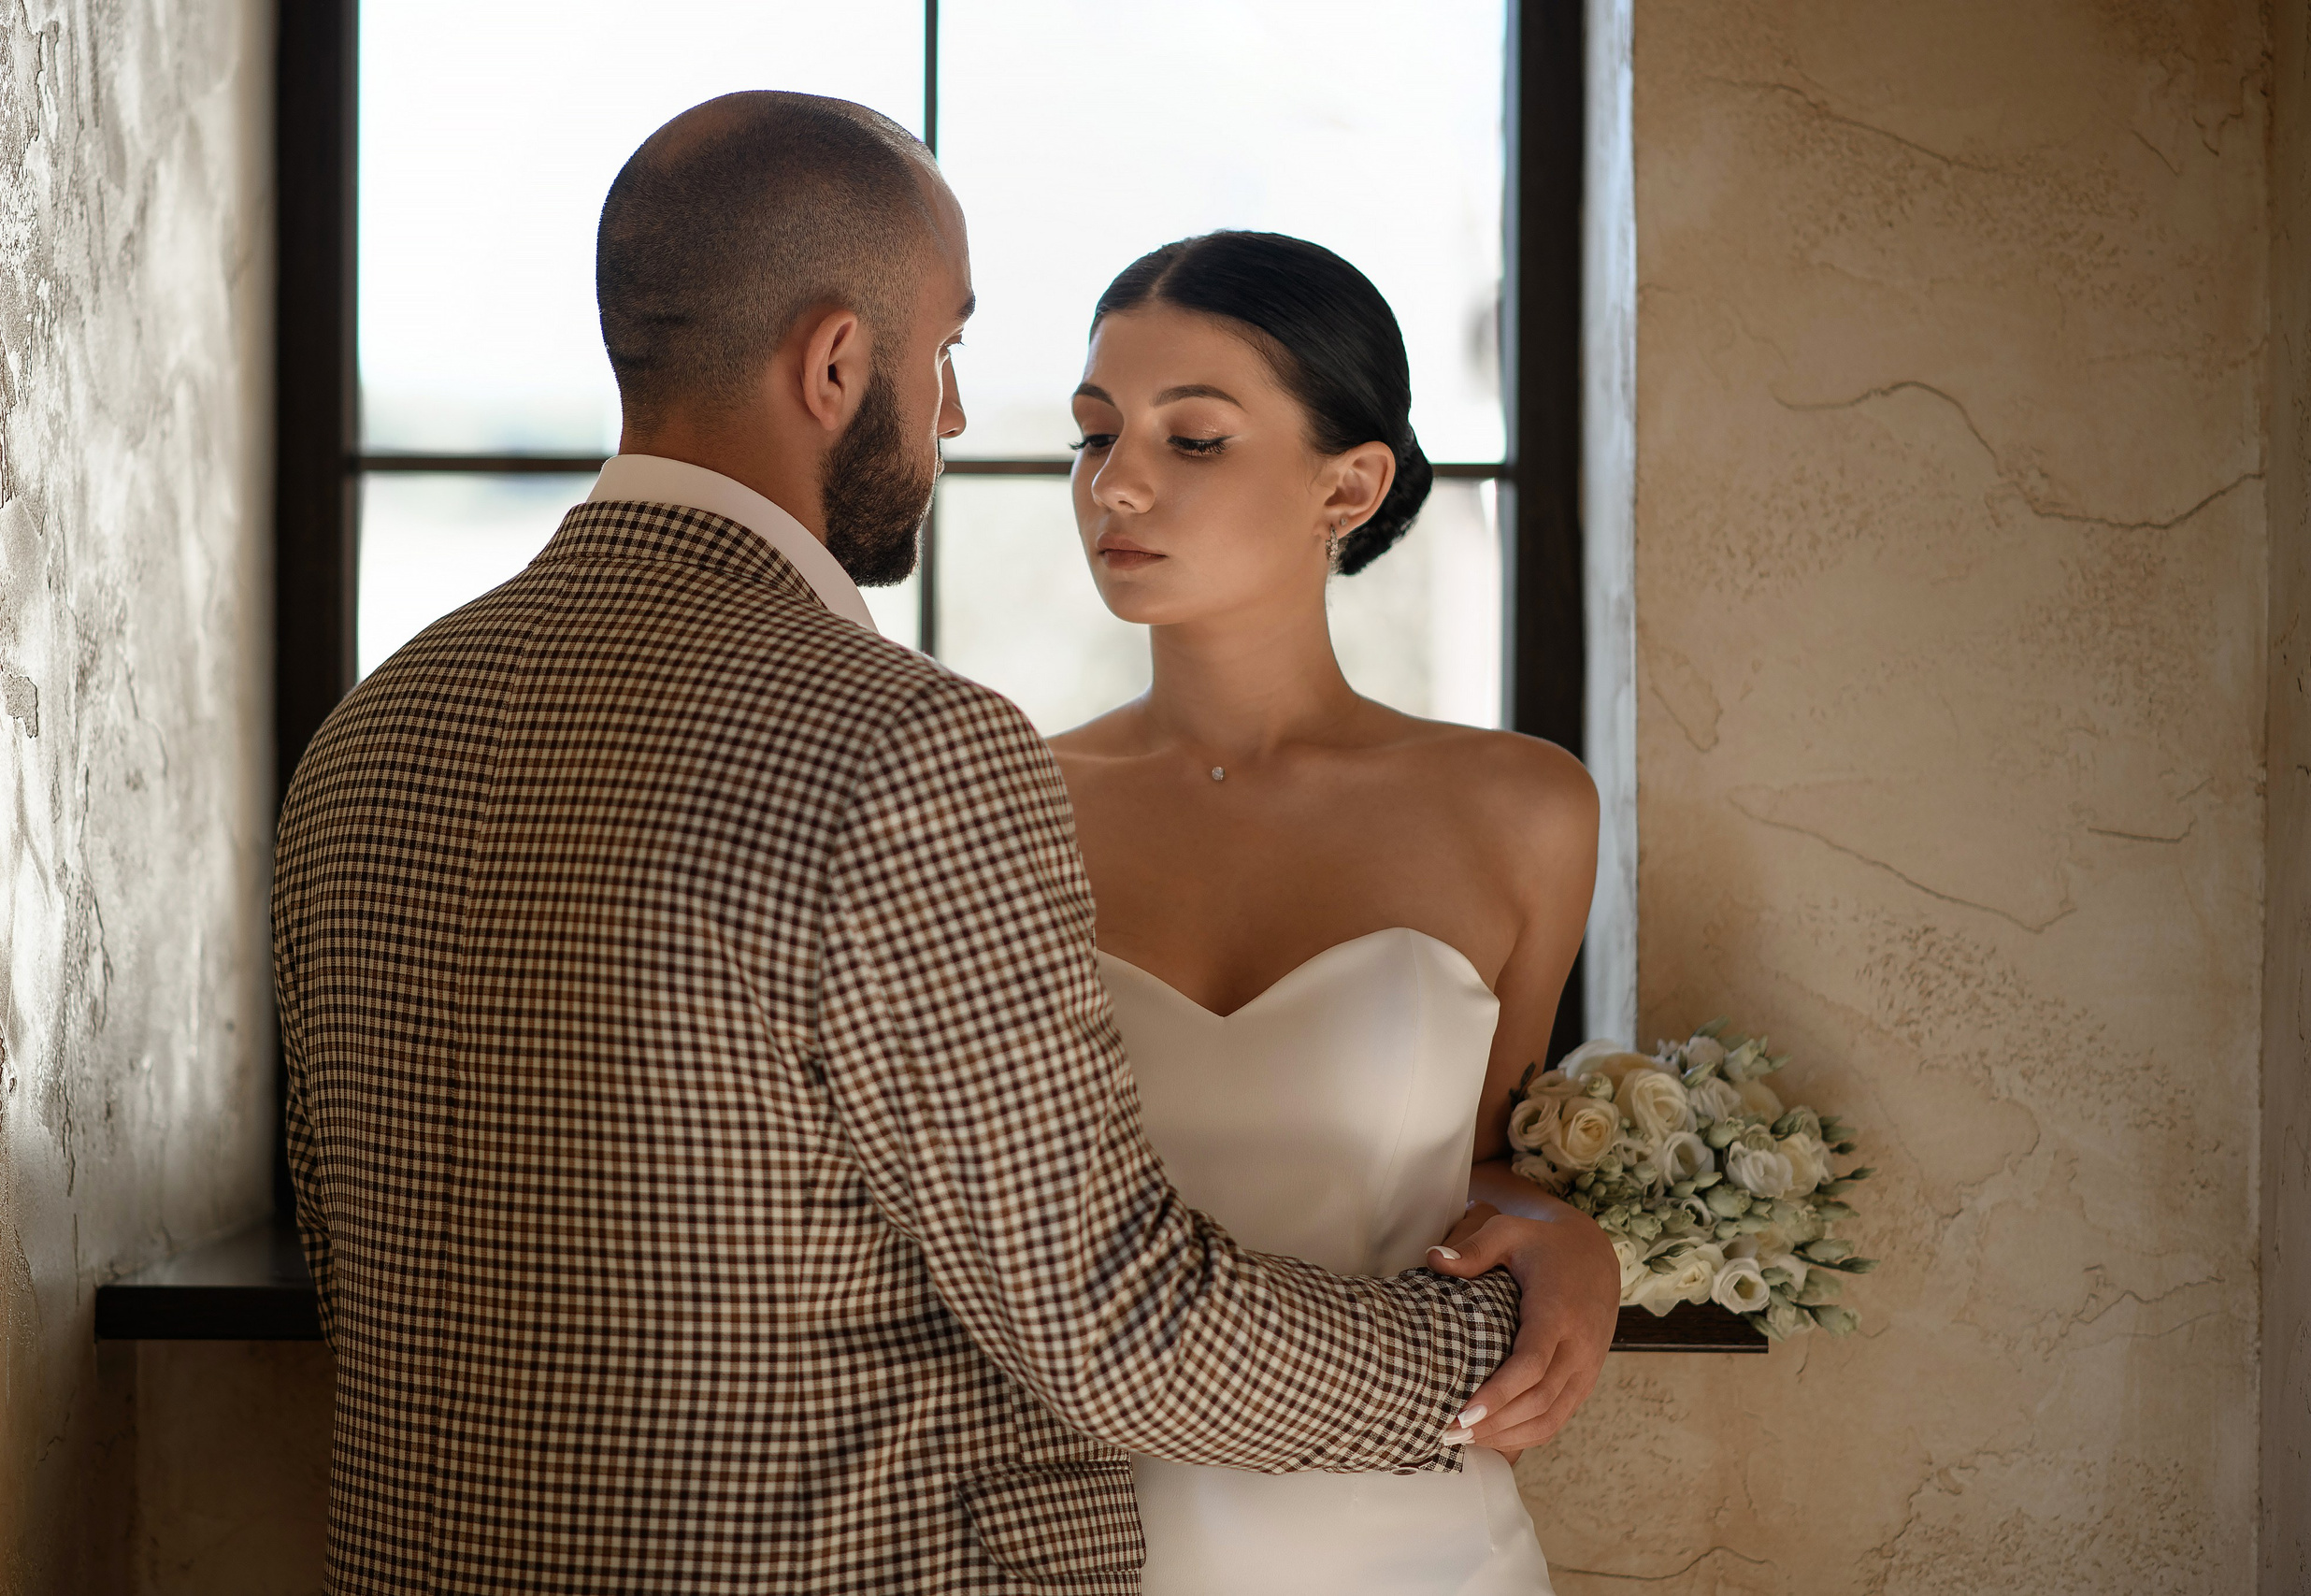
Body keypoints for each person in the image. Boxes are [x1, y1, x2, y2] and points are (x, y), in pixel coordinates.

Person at [272, 94, 1609, 1595]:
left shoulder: (372, 733)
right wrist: (1503, 1338)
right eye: (946, 351)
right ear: (839, 362)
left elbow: (356, 1259)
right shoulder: (912, 751)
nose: (965, 415)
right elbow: (1115, 1327)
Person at [1047, 230, 1616, 1594]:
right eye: (1093, 435)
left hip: (1409, 1543)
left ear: (1349, 483)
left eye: (1194, 440)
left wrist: (1566, 1240)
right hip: (1070, 1537)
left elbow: (1483, 1167)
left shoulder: (1520, 808)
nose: (1115, 485)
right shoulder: (1006, 801)